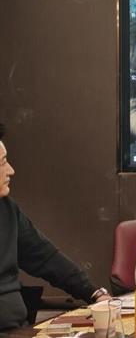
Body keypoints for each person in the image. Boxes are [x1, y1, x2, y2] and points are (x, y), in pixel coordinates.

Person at [0, 123, 110, 330]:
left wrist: (94, 293)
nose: (11, 171)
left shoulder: (6, 209)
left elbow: (45, 257)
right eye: (3, 163)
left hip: (17, 329)